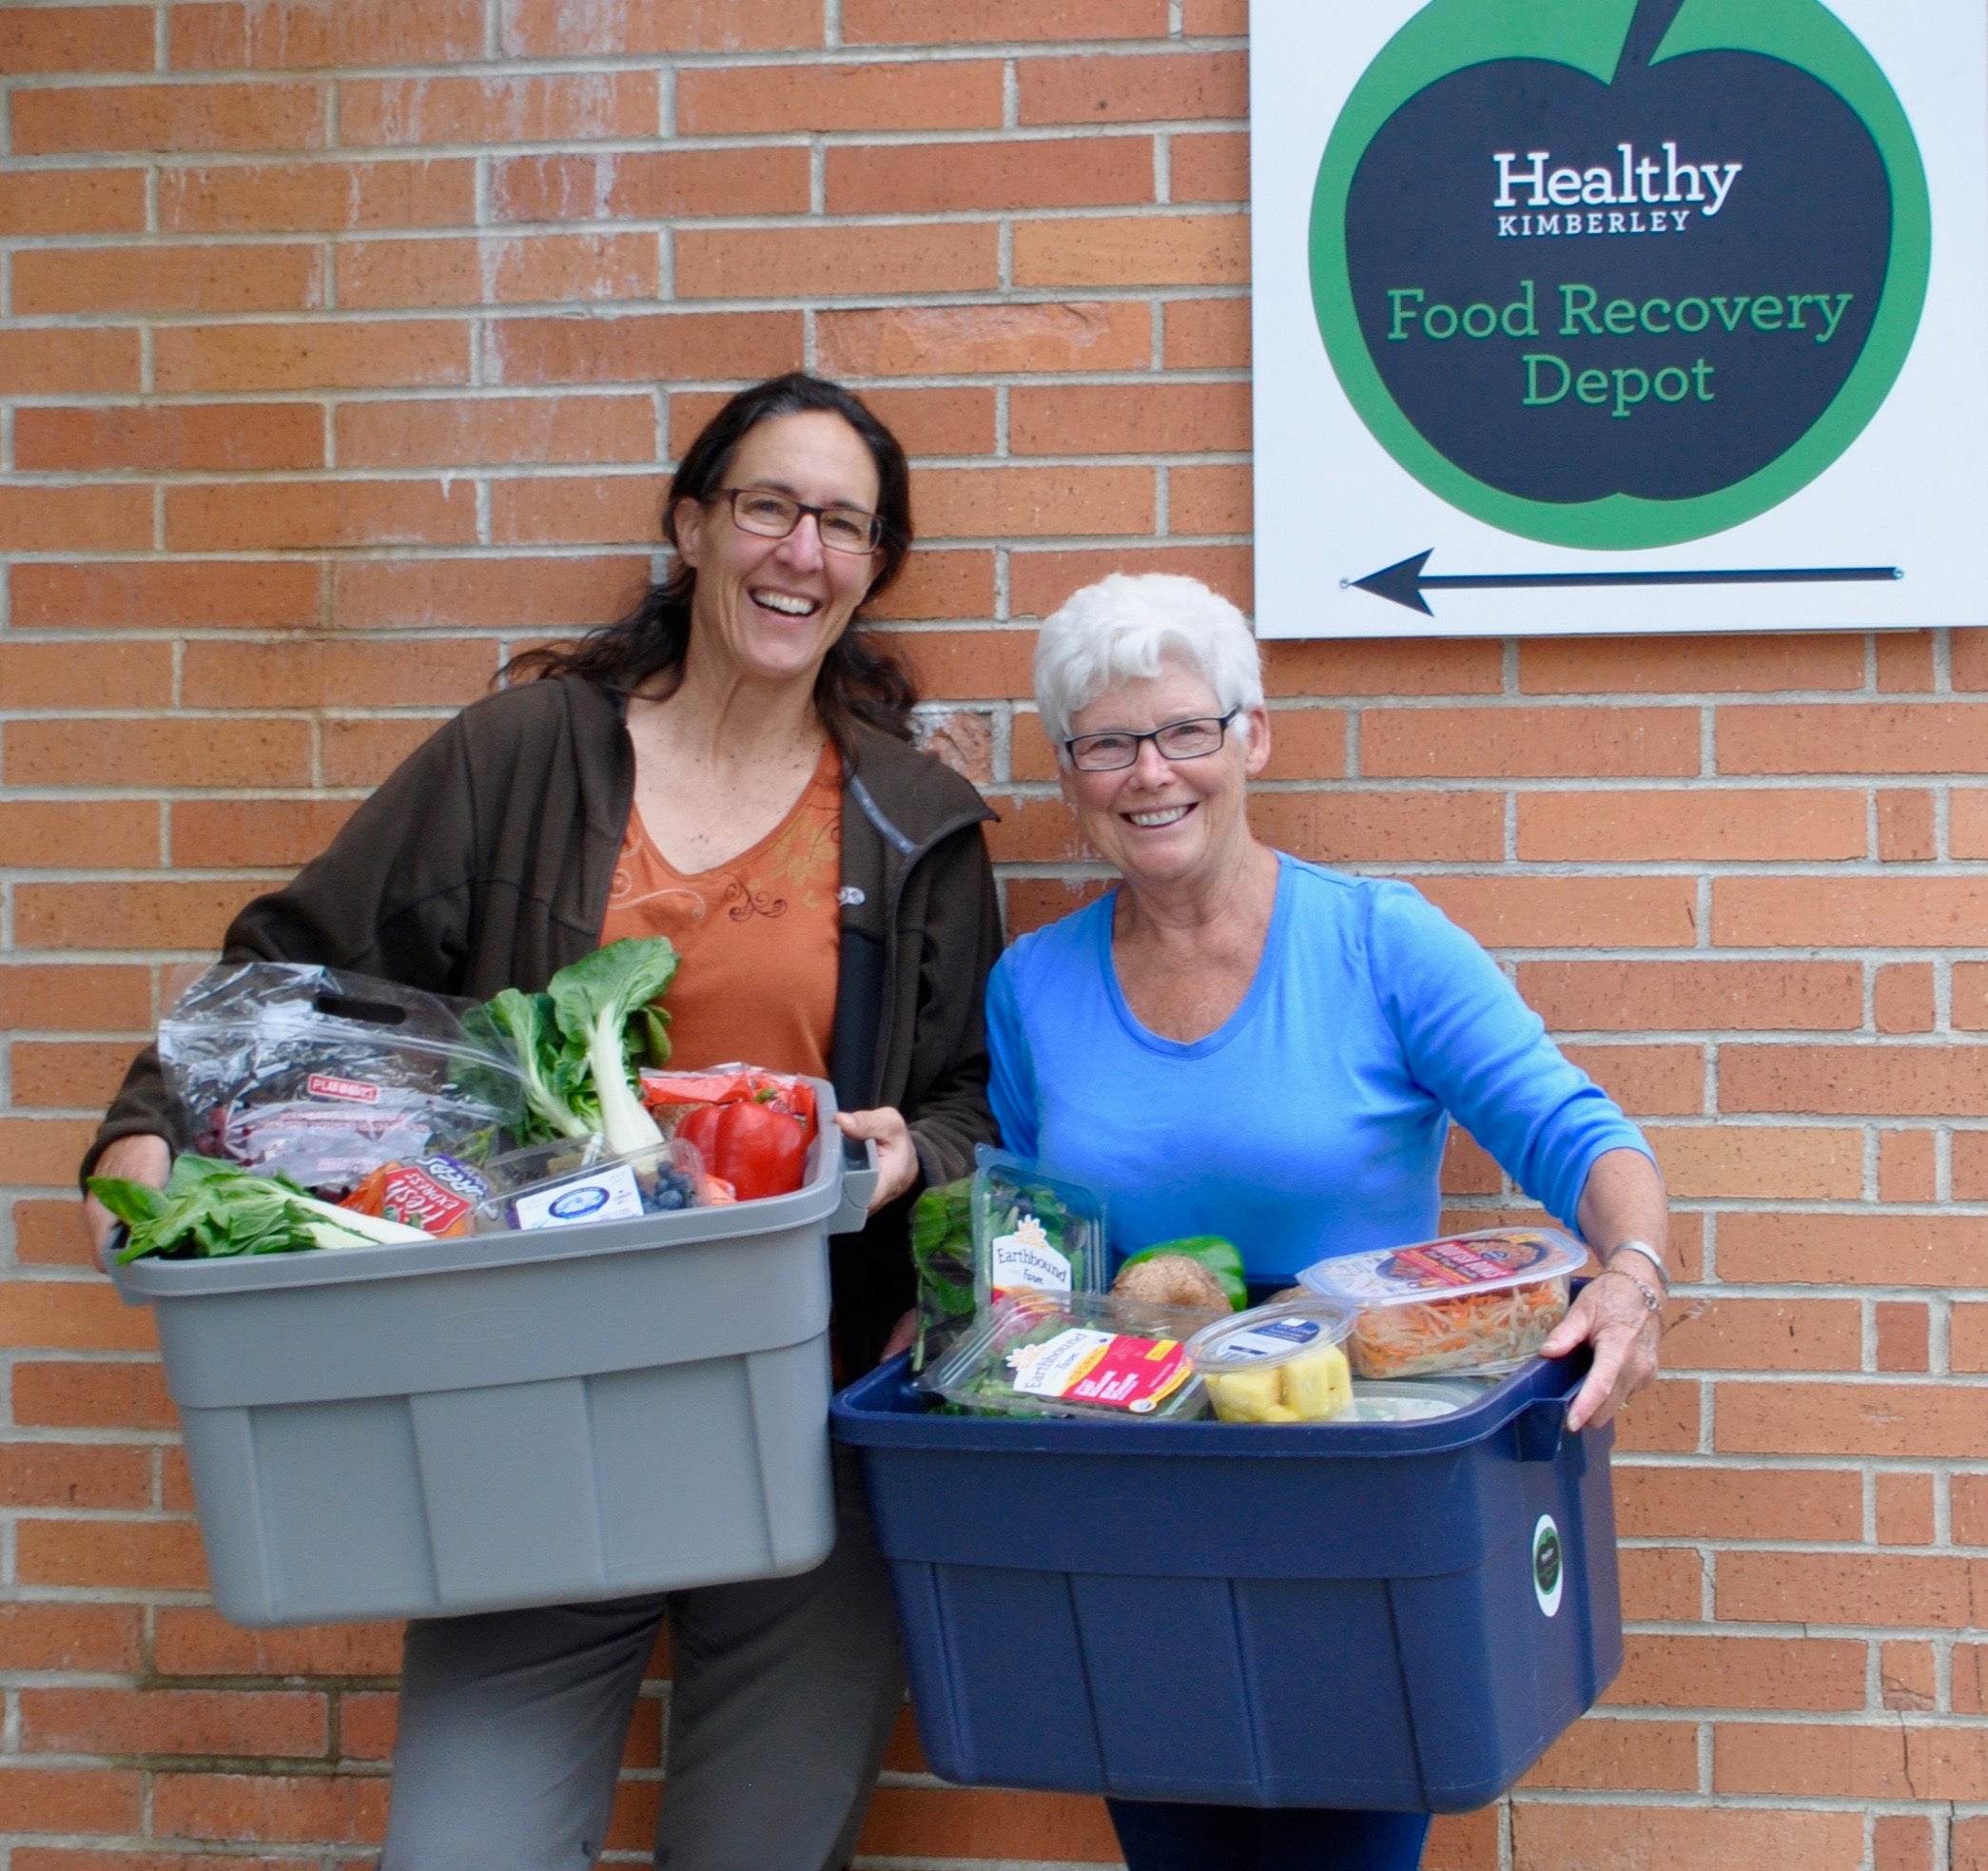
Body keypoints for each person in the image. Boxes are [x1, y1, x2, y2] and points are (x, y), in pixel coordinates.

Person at [80, 372, 1004, 1871]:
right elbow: (289, 976)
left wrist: (918, 1157)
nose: (801, 551)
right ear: (692, 526)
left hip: (807, 1412)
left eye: (843, 524)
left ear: (871, 567)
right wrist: (148, 1134)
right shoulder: (522, 760)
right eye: (767, 506)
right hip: (524, 1413)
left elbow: (977, 1101)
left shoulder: (912, 825)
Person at [984, 573, 1669, 1871]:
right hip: (1137, 1508)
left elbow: (1583, 1137)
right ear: (1070, 772)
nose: (1150, 773)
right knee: (1173, 1840)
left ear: (1251, 738)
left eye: (1185, 729)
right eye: (1107, 744)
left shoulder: (1377, 945)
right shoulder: (1034, 985)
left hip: (1353, 1501)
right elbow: (1035, 1235)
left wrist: (1628, 1276)